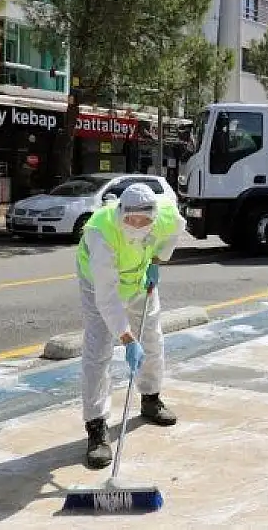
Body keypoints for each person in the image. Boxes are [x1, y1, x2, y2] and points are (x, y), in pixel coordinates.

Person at [76, 183, 187, 469]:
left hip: (140, 279)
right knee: (99, 349)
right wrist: (126, 339)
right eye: (131, 220)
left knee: (151, 337)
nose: (137, 225)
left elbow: (175, 230)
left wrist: (158, 261)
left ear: (153, 215)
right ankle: (97, 426)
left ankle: (151, 398)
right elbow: (107, 297)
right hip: (97, 284)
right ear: (121, 213)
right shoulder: (101, 232)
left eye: (144, 220)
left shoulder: (166, 216)